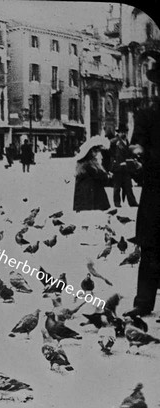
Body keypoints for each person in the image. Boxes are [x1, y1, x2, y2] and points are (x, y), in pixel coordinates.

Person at [124, 59, 160, 318]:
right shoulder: (147, 114)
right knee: (150, 247)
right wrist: (137, 154)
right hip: (156, 191)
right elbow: (136, 146)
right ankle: (144, 302)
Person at [73, 135, 111, 212]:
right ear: (92, 152)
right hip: (92, 200)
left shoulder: (84, 164)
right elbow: (102, 178)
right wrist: (107, 175)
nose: (99, 154)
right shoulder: (90, 165)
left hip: (85, 201)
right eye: (97, 151)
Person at [109, 124, 138, 207]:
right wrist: (114, 164)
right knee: (117, 186)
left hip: (126, 167)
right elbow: (111, 154)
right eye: (122, 132)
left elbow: (129, 154)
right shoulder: (114, 141)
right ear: (118, 133)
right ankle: (117, 203)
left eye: (125, 132)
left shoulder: (127, 142)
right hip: (118, 167)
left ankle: (132, 202)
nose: (123, 134)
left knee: (128, 185)